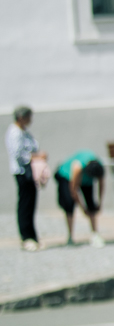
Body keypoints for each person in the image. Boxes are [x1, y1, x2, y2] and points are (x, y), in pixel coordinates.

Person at [8, 107, 43, 251]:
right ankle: (26, 237)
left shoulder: (23, 132)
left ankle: (32, 236)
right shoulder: (15, 133)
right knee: (25, 204)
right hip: (23, 172)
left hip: (30, 171)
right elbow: (18, 154)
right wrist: (35, 157)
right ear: (21, 117)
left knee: (31, 203)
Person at [54, 150, 105, 247]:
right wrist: (83, 208)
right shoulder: (78, 167)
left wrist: (100, 203)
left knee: (91, 205)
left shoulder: (99, 166)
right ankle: (70, 236)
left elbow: (101, 185)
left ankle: (95, 234)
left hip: (85, 180)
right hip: (66, 177)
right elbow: (74, 190)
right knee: (69, 205)